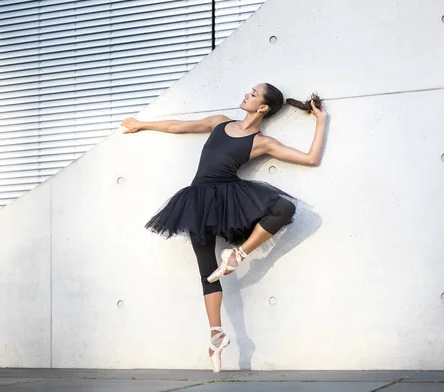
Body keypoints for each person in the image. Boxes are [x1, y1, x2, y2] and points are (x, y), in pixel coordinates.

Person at [121, 83, 327, 372]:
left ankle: (238, 254)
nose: (246, 94)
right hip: (197, 200)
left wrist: (321, 121)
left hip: (230, 197)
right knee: (207, 268)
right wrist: (141, 124)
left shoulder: (261, 141)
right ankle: (216, 334)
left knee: (285, 207)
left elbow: (310, 158)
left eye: (253, 94)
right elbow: (180, 126)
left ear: (263, 107)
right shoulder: (220, 123)